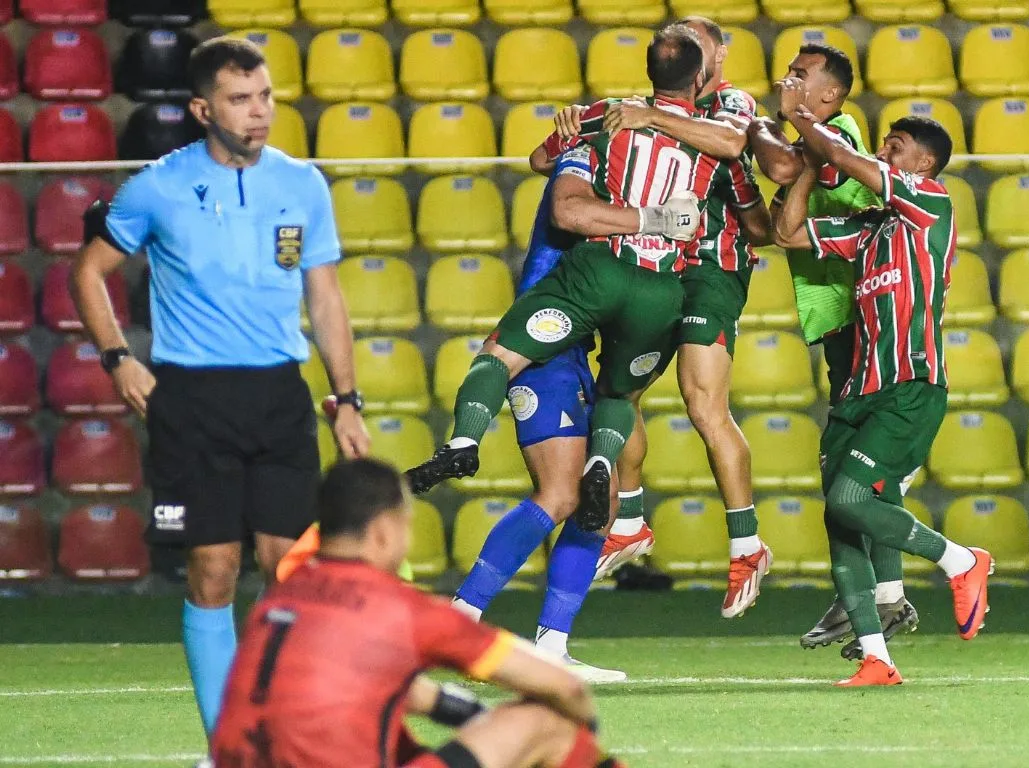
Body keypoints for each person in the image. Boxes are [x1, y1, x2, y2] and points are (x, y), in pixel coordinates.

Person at [69, 37, 370, 737]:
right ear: (203, 108)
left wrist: (347, 400)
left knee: (289, 573)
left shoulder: (302, 184)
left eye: (265, 96)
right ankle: (226, 744)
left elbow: (324, 296)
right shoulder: (158, 186)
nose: (259, 112)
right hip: (193, 402)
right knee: (213, 572)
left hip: (280, 398)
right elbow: (87, 272)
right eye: (241, 100)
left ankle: (289, 732)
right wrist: (119, 359)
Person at [406, 26, 745, 536]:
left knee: (499, 354)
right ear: (700, 76)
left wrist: (569, 129)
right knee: (616, 394)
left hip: (597, 270)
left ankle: (463, 443)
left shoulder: (605, 112)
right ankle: (601, 464)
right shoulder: (712, 135)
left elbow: (541, 160)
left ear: (649, 72)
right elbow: (735, 146)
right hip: (662, 288)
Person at [446, 144, 698, 682]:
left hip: (580, 346)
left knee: (590, 496)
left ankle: (550, 644)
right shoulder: (587, 165)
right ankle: (462, 619)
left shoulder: (629, 179)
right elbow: (558, 185)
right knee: (563, 494)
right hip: (550, 343)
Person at [211, 458, 622, 768]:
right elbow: (564, 687)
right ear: (382, 532)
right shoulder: (403, 608)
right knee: (542, 722)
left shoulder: (278, 599)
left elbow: (366, 683)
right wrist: (587, 734)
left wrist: (458, 709)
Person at [773, 112, 992, 687]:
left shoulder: (931, 204)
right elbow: (789, 234)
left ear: (923, 163)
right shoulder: (871, 230)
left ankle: (961, 561)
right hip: (857, 393)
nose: (884, 153)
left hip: (910, 385)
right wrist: (807, 171)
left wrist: (803, 117)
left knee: (850, 498)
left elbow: (850, 162)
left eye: (894, 147)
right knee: (840, 517)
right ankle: (878, 658)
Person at [595, 16, 776, 619]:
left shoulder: (732, 103)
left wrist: (648, 118)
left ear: (717, 54)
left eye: (701, 43)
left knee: (703, 404)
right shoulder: (650, 107)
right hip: (653, 267)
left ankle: (747, 547)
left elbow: (727, 145)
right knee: (617, 394)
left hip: (711, 272)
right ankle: (629, 523)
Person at [756, 44, 921, 660]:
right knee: (851, 463)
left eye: (801, 76)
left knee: (857, 464)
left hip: (860, 316)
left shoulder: (837, 130)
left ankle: (886, 592)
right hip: (836, 318)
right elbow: (779, 221)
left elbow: (787, 177)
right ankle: (881, 592)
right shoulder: (811, 136)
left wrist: (765, 123)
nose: (787, 80)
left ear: (829, 94)